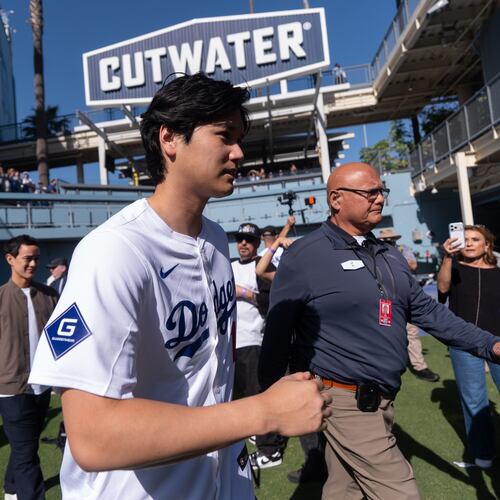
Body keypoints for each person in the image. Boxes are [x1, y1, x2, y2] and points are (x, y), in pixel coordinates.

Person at [28, 73, 331, 500]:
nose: (239, 152)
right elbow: (93, 436)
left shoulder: (214, 238)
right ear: (169, 138)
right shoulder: (114, 251)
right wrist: (261, 412)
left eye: (239, 137)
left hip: (222, 478)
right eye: (224, 136)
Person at [259, 162, 500, 499]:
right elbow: (278, 332)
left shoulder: (389, 254)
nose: (379, 199)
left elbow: (428, 311)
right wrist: (268, 403)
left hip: (383, 397)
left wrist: (490, 344)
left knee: (344, 490)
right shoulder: (306, 255)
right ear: (336, 199)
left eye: (380, 191)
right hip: (341, 398)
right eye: (368, 192)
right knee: (400, 492)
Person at [0, 235, 58, 500]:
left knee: (27, 445)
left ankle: (11, 489)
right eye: (27, 258)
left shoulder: (49, 296)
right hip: (11, 388)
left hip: (43, 385)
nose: (33, 263)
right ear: (10, 260)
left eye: (36, 258)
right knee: (27, 455)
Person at [437, 224, 500, 469]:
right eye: (466, 239)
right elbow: (442, 289)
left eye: (476, 239)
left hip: (497, 343)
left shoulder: (498, 272)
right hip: (463, 342)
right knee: (474, 399)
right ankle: (483, 456)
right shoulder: (453, 267)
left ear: (487, 245)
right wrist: (447, 257)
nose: (470, 242)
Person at [231, 223, 285, 469]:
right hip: (230, 343)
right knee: (238, 395)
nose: (244, 244)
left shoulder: (260, 267)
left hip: (253, 338)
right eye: (241, 239)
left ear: (255, 245)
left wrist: (245, 293)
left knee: (258, 395)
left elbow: (271, 301)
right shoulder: (228, 267)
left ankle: (270, 450)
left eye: (249, 240)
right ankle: (257, 432)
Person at [378, 228, 440, 382]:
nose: (389, 242)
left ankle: (420, 366)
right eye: (385, 240)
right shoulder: (373, 250)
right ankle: (386, 366)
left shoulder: (403, 249)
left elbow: (412, 265)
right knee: (384, 332)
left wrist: (393, 255)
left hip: (404, 296)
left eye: (391, 239)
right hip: (383, 298)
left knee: (411, 331)